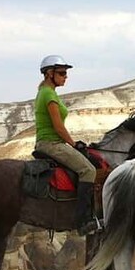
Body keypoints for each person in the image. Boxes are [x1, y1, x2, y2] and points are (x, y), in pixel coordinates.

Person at [33, 55, 103, 235]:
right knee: (89, 170)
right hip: (51, 143)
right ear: (49, 74)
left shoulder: (47, 92)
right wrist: (73, 144)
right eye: (62, 73)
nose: (66, 76)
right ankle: (83, 221)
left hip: (49, 141)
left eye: (66, 73)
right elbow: (58, 127)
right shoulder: (48, 94)